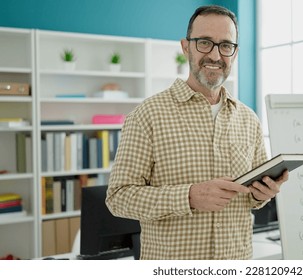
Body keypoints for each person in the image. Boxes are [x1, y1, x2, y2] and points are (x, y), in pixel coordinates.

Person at [105, 5, 288, 260]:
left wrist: (262, 194)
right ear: (186, 46)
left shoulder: (249, 119)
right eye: (205, 43)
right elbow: (118, 198)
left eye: (225, 45)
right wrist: (189, 196)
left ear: (234, 53)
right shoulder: (147, 115)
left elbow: (252, 197)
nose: (215, 55)